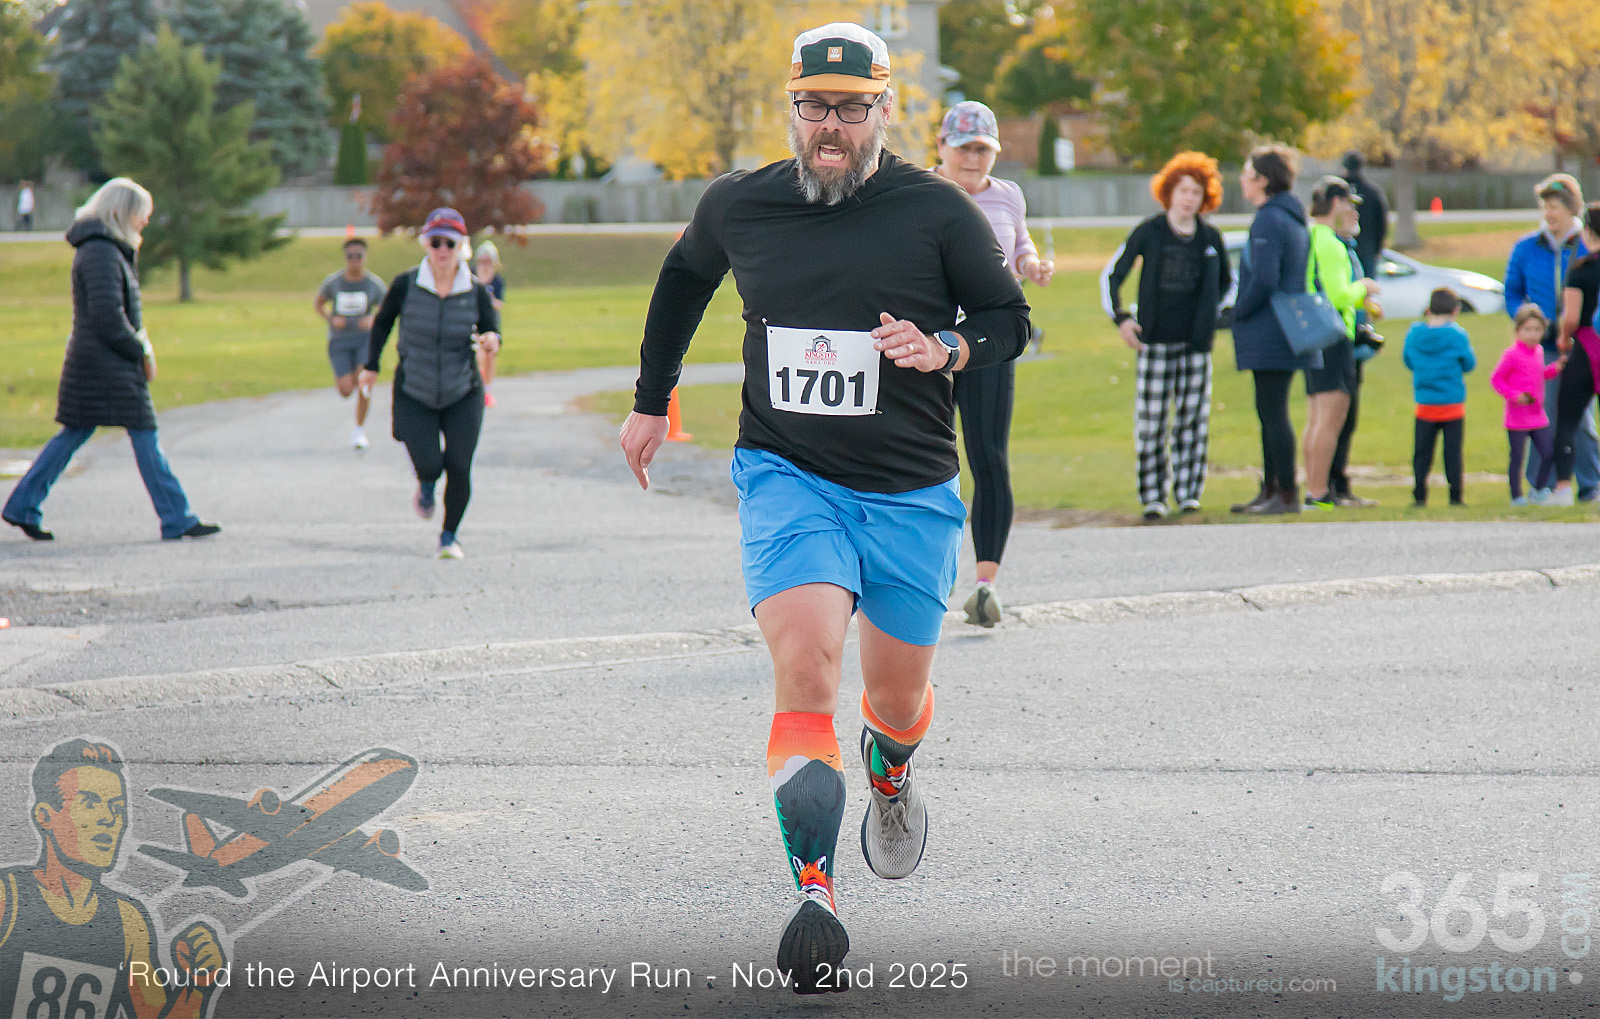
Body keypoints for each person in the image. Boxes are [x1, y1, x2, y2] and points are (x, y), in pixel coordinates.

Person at [617, 22, 1028, 993]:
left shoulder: (936, 210)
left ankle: (891, 769)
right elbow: (683, 276)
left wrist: (946, 348)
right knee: (805, 665)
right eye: (814, 106)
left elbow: (1009, 320)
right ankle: (816, 892)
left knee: (896, 700)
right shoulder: (741, 202)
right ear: (791, 106)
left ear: (884, 110)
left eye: (850, 107)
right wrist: (650, 398)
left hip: (911, 490)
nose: (829, 125)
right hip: (788, 473)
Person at [3, 178, 220, 542]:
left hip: (99, 363)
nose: (145, 221)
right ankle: (177, 518)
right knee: (141, 434)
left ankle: (22, 506)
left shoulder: (106, 249)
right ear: (122, 212)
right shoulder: (100, 252)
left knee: (78, 433)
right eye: (142, 214)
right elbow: (108, 317)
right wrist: (141, 351)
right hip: (106, 365)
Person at [931, 99, 1052, 625]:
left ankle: (985, 586)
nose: (973, 158)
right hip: (928, 345)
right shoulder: (921, 190)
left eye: (983, 149)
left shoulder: (1008, 195)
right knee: (925, 461)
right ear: (941, 146)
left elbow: (1019, 243)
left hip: (987, 345)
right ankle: (920, 579)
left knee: (989, 458)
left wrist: (1031, 263)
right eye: (964, 148)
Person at [0, 740, 226, 1018]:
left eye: (117, 808)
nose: (109, 818)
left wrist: (197, 985)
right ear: (46, 816)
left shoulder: (128, 921)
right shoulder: (8, 898)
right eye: (89, 803)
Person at [359, 208, 500, 560]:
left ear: (461, 246)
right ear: (426, 243)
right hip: (414, 389)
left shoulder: (474, 290)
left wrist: (491, 339)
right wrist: (371, 365)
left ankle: (449, 537)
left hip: (462, 389)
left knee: (459, 465)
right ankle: (425, 484)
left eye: (449, 243)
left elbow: (491, 327)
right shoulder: (407, 284)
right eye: (435, 242)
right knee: (430, 465)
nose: (442, 250)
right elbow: (383, 322)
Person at [1102, 151, 1231, 521]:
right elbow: (1113, 275)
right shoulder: (1150, 231)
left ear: (1205, 197)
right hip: (1154, 343)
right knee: (1152, 423)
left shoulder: (1211, 238)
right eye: (1183, 190)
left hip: (1196, 346)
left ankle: (1189, 494)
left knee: (1192, 422)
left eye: (1196, 192)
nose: (1189, 198)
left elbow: (1227, 284)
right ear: (1169, 192)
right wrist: (1122, 318)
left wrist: (1210, 318)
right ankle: (1153, 497)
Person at [1229, 144, 1320, 515]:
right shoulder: (1293, 217)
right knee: (1270, 411)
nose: (1242, 180)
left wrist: (1237, 312)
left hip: (1272, 329)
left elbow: (1265, 279)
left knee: (1272, 412)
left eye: (1247, 174)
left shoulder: (1269, 219)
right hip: (1287, 329)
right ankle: (1270, 490)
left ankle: (1284, 493)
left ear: (1263, 180)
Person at [1503, 173, 1600, 499]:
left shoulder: (1587, 246)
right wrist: (1527, 319)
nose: (1549, 213)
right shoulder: (1528, 247)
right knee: (1541, 412)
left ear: (1571, 208)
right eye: (1545, 206)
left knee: (1579, 417)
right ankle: (1540, 483)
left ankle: (1590, 482)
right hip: (1540, 346)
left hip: (1581, 342)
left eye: (1555, 206)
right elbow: (1512, 291)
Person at [1302, 177, 1380, 509]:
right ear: (1336, 204)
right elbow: (1337, 295)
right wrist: (1364, 287)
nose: (1352, 210)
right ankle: (1320, 491)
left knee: (1315, 417)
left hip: (1313, 338)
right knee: (1330, 419)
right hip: (1334, 338)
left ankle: (1314, 488)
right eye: (1348, 203)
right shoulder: (1331, 243)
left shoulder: (1309, 236)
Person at [1403, 288, 1476, 507]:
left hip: (1425, 402)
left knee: (1422, 453)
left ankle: (1419, 495)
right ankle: (1455, 496)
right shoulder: (1457, 335)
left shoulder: (1414, 334)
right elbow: (1469, 364)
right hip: (1452, 403)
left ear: (1428, 310)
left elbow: (1408, 360)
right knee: (1452, 453)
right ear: (1455, 311)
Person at [314, 237, 386, 450]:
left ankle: (359, 430)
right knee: (346, 389)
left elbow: (387, 307)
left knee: (364, 383)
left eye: (359, 256)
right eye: (350, 256)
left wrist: (373, 319)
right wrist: (331, 318)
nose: (355, 260)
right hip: (340, 340)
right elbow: (319, 303)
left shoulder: (373, 284)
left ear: (365, 257)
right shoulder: (334, 282)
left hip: (364, 340)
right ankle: (349, 376)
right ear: (345, 258)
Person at [1550, 203, 1600, 506]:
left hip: (1586, 346)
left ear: (1588, 231)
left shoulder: (1581, 269)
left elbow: (1571, 317)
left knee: (1567, 418)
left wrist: (1563, 339)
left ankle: (1563, 487)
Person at [1492, 305, 1564, 504]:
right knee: (1517, 458)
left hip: (1537, 415)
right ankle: (1516, 496)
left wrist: (1555, 369)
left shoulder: (1539, 351)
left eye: (1537, 330)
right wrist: (1514, 396)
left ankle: (1538, 489)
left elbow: (1538, 375)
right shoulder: (1512, 354)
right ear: (1518, 331)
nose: (1533, 335)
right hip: (1517, 418)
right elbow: (1497, 379)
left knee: (1548, 452)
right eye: (1528, 329)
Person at [1340, 151, 1387, 279]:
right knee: (1367, 286)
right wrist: (1377, 249)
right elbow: (1381, 224)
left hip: (1340, 245)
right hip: (1367, 248)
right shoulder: (1373, 192)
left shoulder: (1336, 193)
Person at [473, 240, 506, 408]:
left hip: (491, 323)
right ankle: (477, 387)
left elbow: (500, 303)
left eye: (488, 261)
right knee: (477, 355)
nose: (485, 265)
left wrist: (489, 301)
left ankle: (487, 390)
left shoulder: (497, 281)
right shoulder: (471, 277)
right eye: (482, 261)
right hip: (474, 322)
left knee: (490, 354)